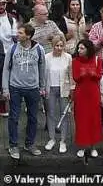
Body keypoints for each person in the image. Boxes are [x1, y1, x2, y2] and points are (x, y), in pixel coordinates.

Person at [3, 23, 47, 160]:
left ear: (28, 35)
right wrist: (5, 88)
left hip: (33, 88)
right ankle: (13, 145)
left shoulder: (39, 50)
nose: (17, 34)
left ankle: (30, 144)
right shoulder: (13, 48)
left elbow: (42, 69)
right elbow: (6, 69)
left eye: (21, 33)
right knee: (14, 117)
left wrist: (42, 87)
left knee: (33, 118)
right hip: (15, 87)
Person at [72, 39, 103, 163]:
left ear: (88, 49)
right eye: (78, 48)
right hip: (80, 94)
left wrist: (91, 73)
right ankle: (82, 146)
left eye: (82, 48)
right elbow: (76, 77)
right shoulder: (75, 61)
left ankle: (93, 146)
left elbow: (99, 75)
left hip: (93, 94)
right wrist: (85, 74)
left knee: (94, 119)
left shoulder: (97, 60)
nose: (79, 50)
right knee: (81, 120)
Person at [44, 34, 72, 154]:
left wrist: (72, 88)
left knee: (63, 114)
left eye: (61, 46)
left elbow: (71, 75)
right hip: (50, 88)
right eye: (57, 46)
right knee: (50, 113)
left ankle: (63, 141)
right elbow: (43, 74)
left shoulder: (68, 57)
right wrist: (42, 88)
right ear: (52, 46)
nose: (59, 48)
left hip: (64, 89)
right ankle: (51, 139)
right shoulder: (46, 57)